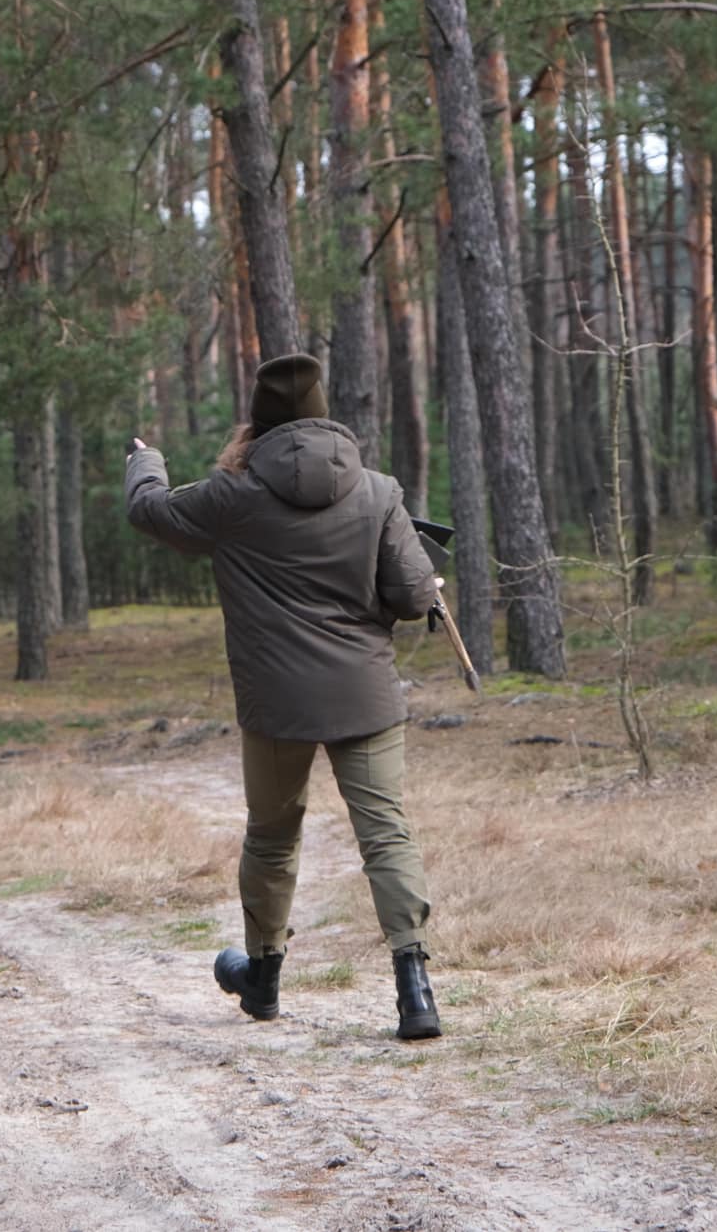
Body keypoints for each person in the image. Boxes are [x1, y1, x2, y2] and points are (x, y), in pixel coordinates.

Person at [124, 353, 442, 1040]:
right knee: (385, 833)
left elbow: (150, 511)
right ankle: (415, 990)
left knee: (271, 837)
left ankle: (263, 980)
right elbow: (416, 596)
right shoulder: (378, 491)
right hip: (364, 695)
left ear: (259, 423)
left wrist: (146, 461)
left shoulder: (230, 497)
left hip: (276, 703)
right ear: (324, 414)